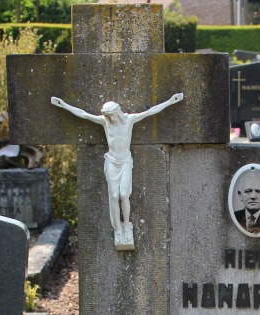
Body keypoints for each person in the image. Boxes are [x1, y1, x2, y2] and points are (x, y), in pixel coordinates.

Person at [50, 93, 184, 249]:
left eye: (111, 115)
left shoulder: (129, 120)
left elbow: (151, 112)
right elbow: (84, 114)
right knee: (114, 196)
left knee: (123, 194)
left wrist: (170, 101)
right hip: (112, 162)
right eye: (108, 116)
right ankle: (118, 229)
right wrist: (63, 105)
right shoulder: (105, 122)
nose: (110, 119)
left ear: (117, 112)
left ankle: (127, 225)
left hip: (125, 161)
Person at [232, 170, 260, 234]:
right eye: (248, 191)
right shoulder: (235, 216)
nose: (253, 196)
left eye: (258, 191)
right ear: (240, 195)